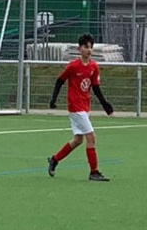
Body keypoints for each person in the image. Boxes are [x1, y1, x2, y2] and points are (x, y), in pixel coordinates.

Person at [47, 33, 114, 181]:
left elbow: (95, 88)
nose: (89, 50)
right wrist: (53, 99)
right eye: (86, 47)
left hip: (85, 106)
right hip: (75, 107)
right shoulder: (73, 66)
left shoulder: (94, 66)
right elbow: (60, 80)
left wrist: (105, 104)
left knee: (78, 140)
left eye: (91, 47)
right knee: (91, 137)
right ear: (79, 49)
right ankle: (94, 172)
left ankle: (55, 159)